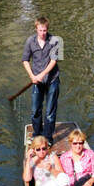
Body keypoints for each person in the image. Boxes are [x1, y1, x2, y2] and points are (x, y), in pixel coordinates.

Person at [23, 15, 61, 143]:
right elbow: (25, 60)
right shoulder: (30, 41)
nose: (42, 33)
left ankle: (48, 138)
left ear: (47, 29)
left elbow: (54, 61)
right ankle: (37, 135)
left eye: (44, 30)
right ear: (36, 29)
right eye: (40, 30)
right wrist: (32, 76)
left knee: (50, 113)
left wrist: (42, 74)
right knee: (35, 111)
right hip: (37, 81)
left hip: (52, 80)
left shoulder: (56, 40)